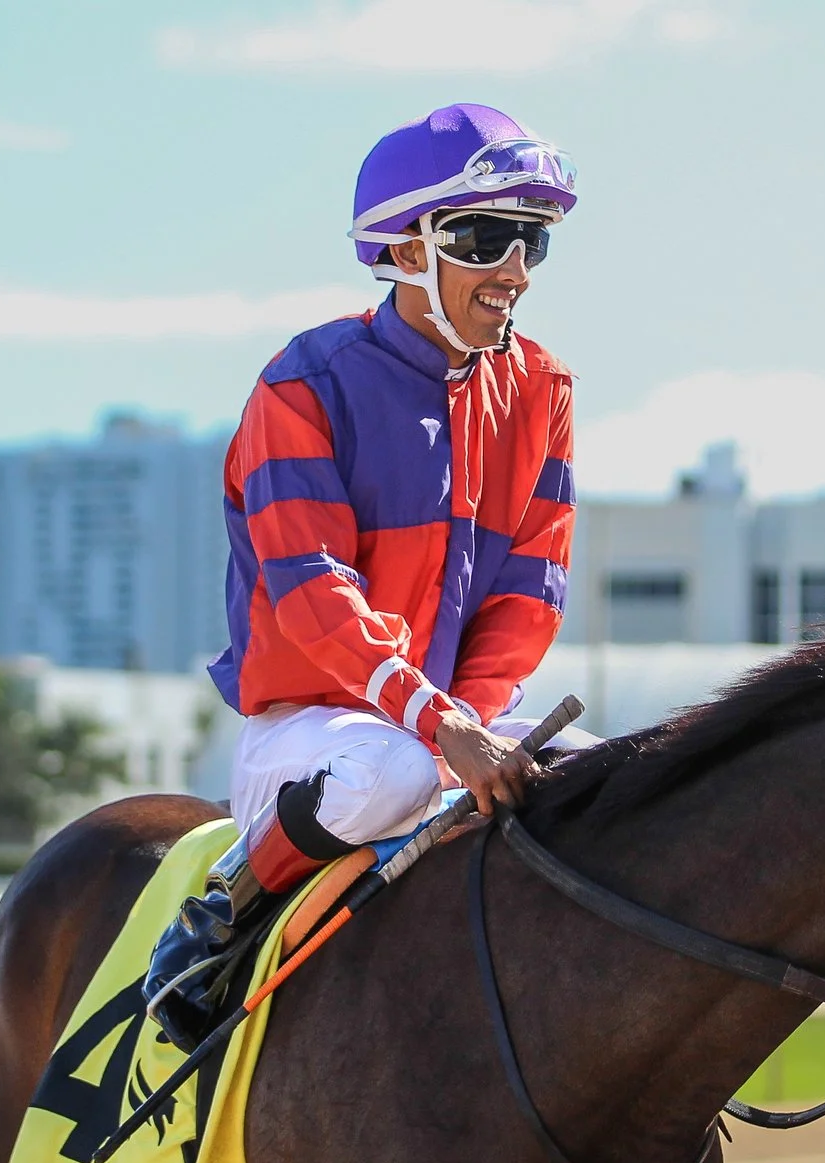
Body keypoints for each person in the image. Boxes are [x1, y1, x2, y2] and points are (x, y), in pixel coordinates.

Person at [205, 102, 580, 912]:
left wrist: (463, 726)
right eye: (484, 240)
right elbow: (314, 595)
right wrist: (441, 732)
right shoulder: (302, 385)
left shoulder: (543, 389)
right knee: (395, 773)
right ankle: (218, 912)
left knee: (611, 775)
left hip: (451, 724)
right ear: (408, 249)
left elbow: (528, 595)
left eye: (532, 242)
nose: (514, 271)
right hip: (315, 736)